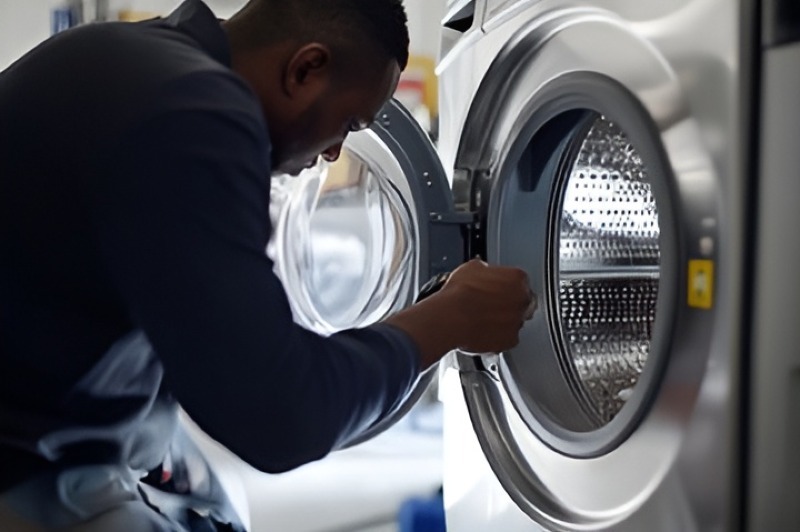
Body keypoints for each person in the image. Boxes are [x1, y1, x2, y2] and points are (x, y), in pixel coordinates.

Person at [0, 0, 536, 529]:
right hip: (23, 468)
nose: (334, 152)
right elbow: (280, 418)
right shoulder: (198, 112)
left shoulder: (127, 60)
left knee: (220, 500)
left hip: (45, 435)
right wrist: (447, 320)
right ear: (306, 68)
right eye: (349, 121)